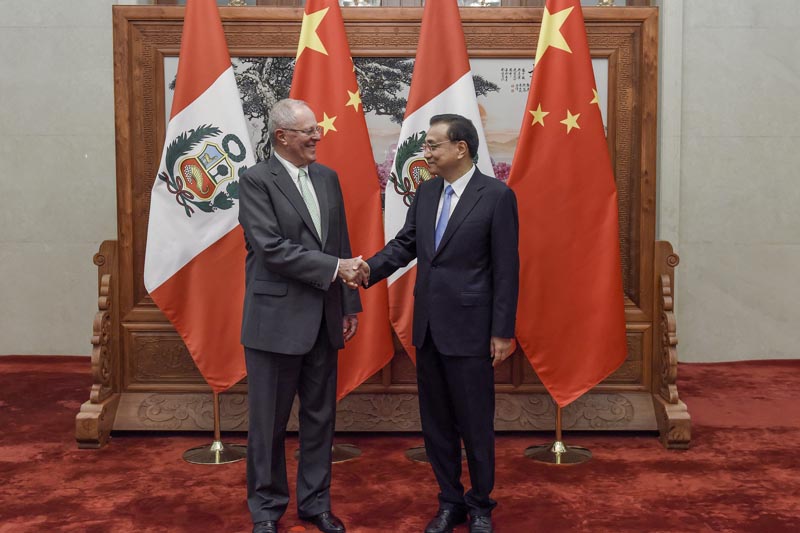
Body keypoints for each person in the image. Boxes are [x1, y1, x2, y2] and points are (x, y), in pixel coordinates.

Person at [359, 114, 519, 533]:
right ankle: (450, 501)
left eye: (432, 145)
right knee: (436, 425)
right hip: (428, 328)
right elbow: (405, 244)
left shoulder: (496, 196)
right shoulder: (427, 192)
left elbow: (506, 270)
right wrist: (365, 270)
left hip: (472, 332)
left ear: (460, 148)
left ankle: (481, 503)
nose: (424, 153)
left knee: (475, 424)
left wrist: (502, 331)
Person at [238, 98, 364, 533]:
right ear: (282, 137)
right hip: (274, 324)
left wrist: (348, 304)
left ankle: (315, 504)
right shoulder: (255, 181)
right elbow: (270, 249)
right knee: (268, 426)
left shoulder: (327, 178)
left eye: (317, 130)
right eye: (309, 131)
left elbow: (340, 242)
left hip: (325, 321)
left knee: (320, 420)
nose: (317, 136)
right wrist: (335, 269)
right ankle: (266, 511)